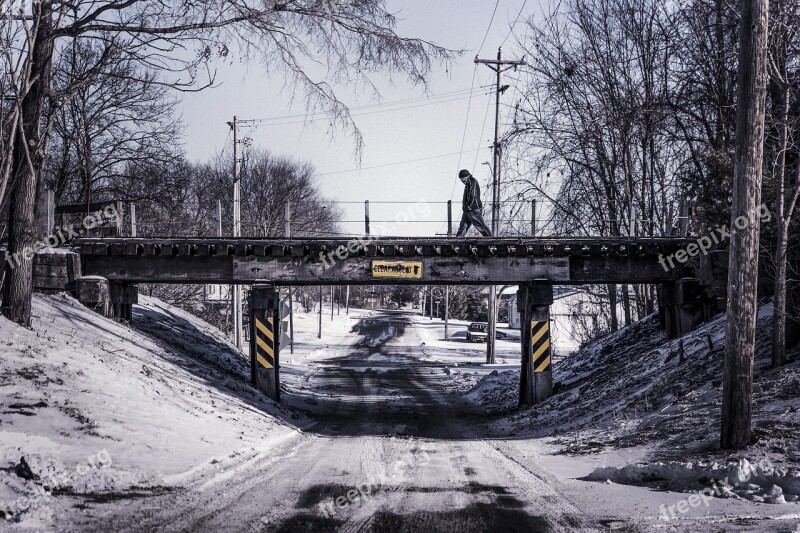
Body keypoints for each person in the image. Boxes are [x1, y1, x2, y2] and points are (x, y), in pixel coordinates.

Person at [455, 169, 492, 237]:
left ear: (467, 177)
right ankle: (457, 242)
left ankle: (490, 239)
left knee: (480, 225)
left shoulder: (472, 182)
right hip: (468, 209)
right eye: (461, 180)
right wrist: (465, 207)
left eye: (463, 180)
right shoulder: (468, 184)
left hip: (473, 209)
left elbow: (473, 195)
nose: (463, 182)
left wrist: (470, 206)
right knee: (463, 227)